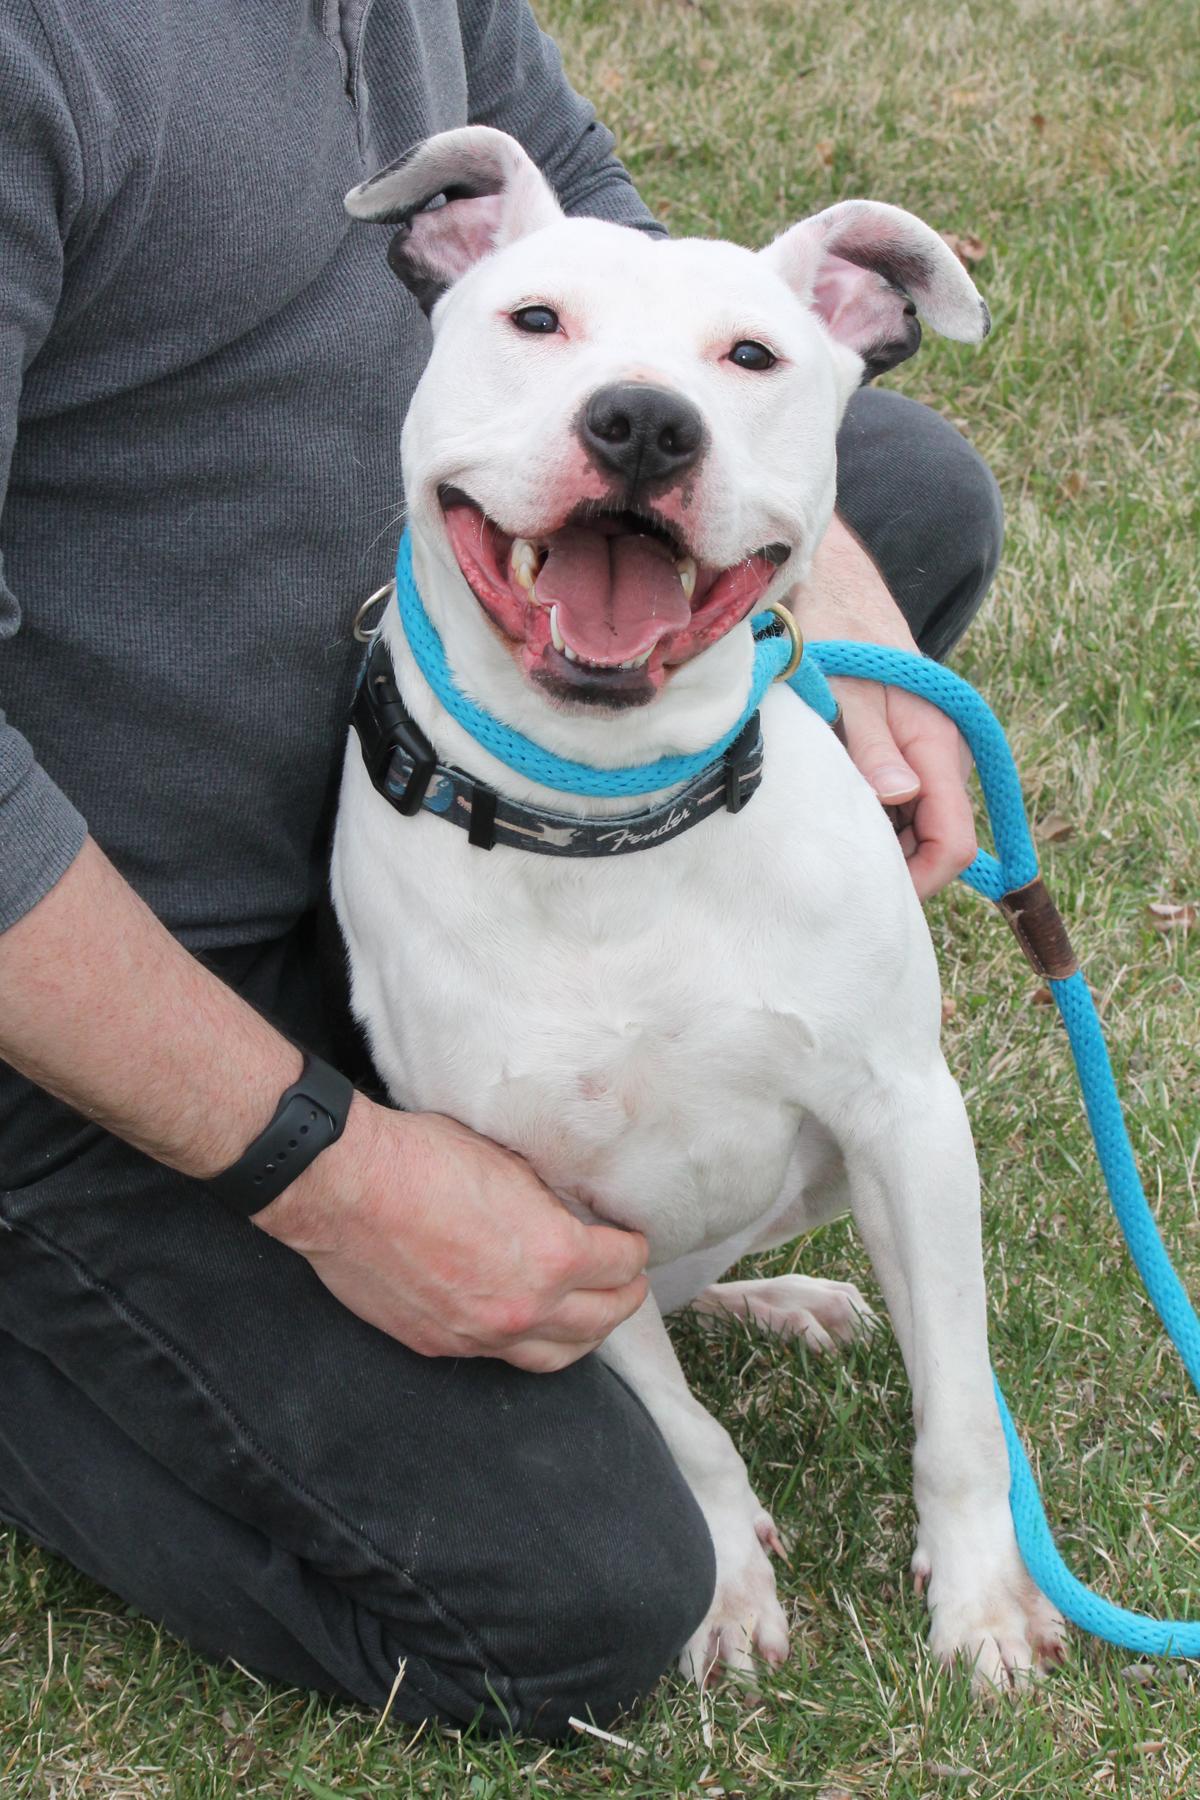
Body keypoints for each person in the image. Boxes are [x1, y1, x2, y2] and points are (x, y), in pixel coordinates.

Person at [0, 0, 1003, 1738]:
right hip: (94, 935)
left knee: (899, 501)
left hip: (408, 718)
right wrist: (338, 1175)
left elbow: (598, 218)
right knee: (582, 1596)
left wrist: (811, 577)